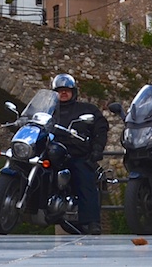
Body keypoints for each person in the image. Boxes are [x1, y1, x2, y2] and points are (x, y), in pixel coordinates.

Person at [51, 73, 109, 235]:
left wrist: (97, 149)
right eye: (59, 90)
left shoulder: (86, 110)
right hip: (50, 153)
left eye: (66, 90)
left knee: (84, 176)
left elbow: (101, 128)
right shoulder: (48, 111)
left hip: (75, 154)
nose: (63, 93)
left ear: (73, 92)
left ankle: (92, 222)